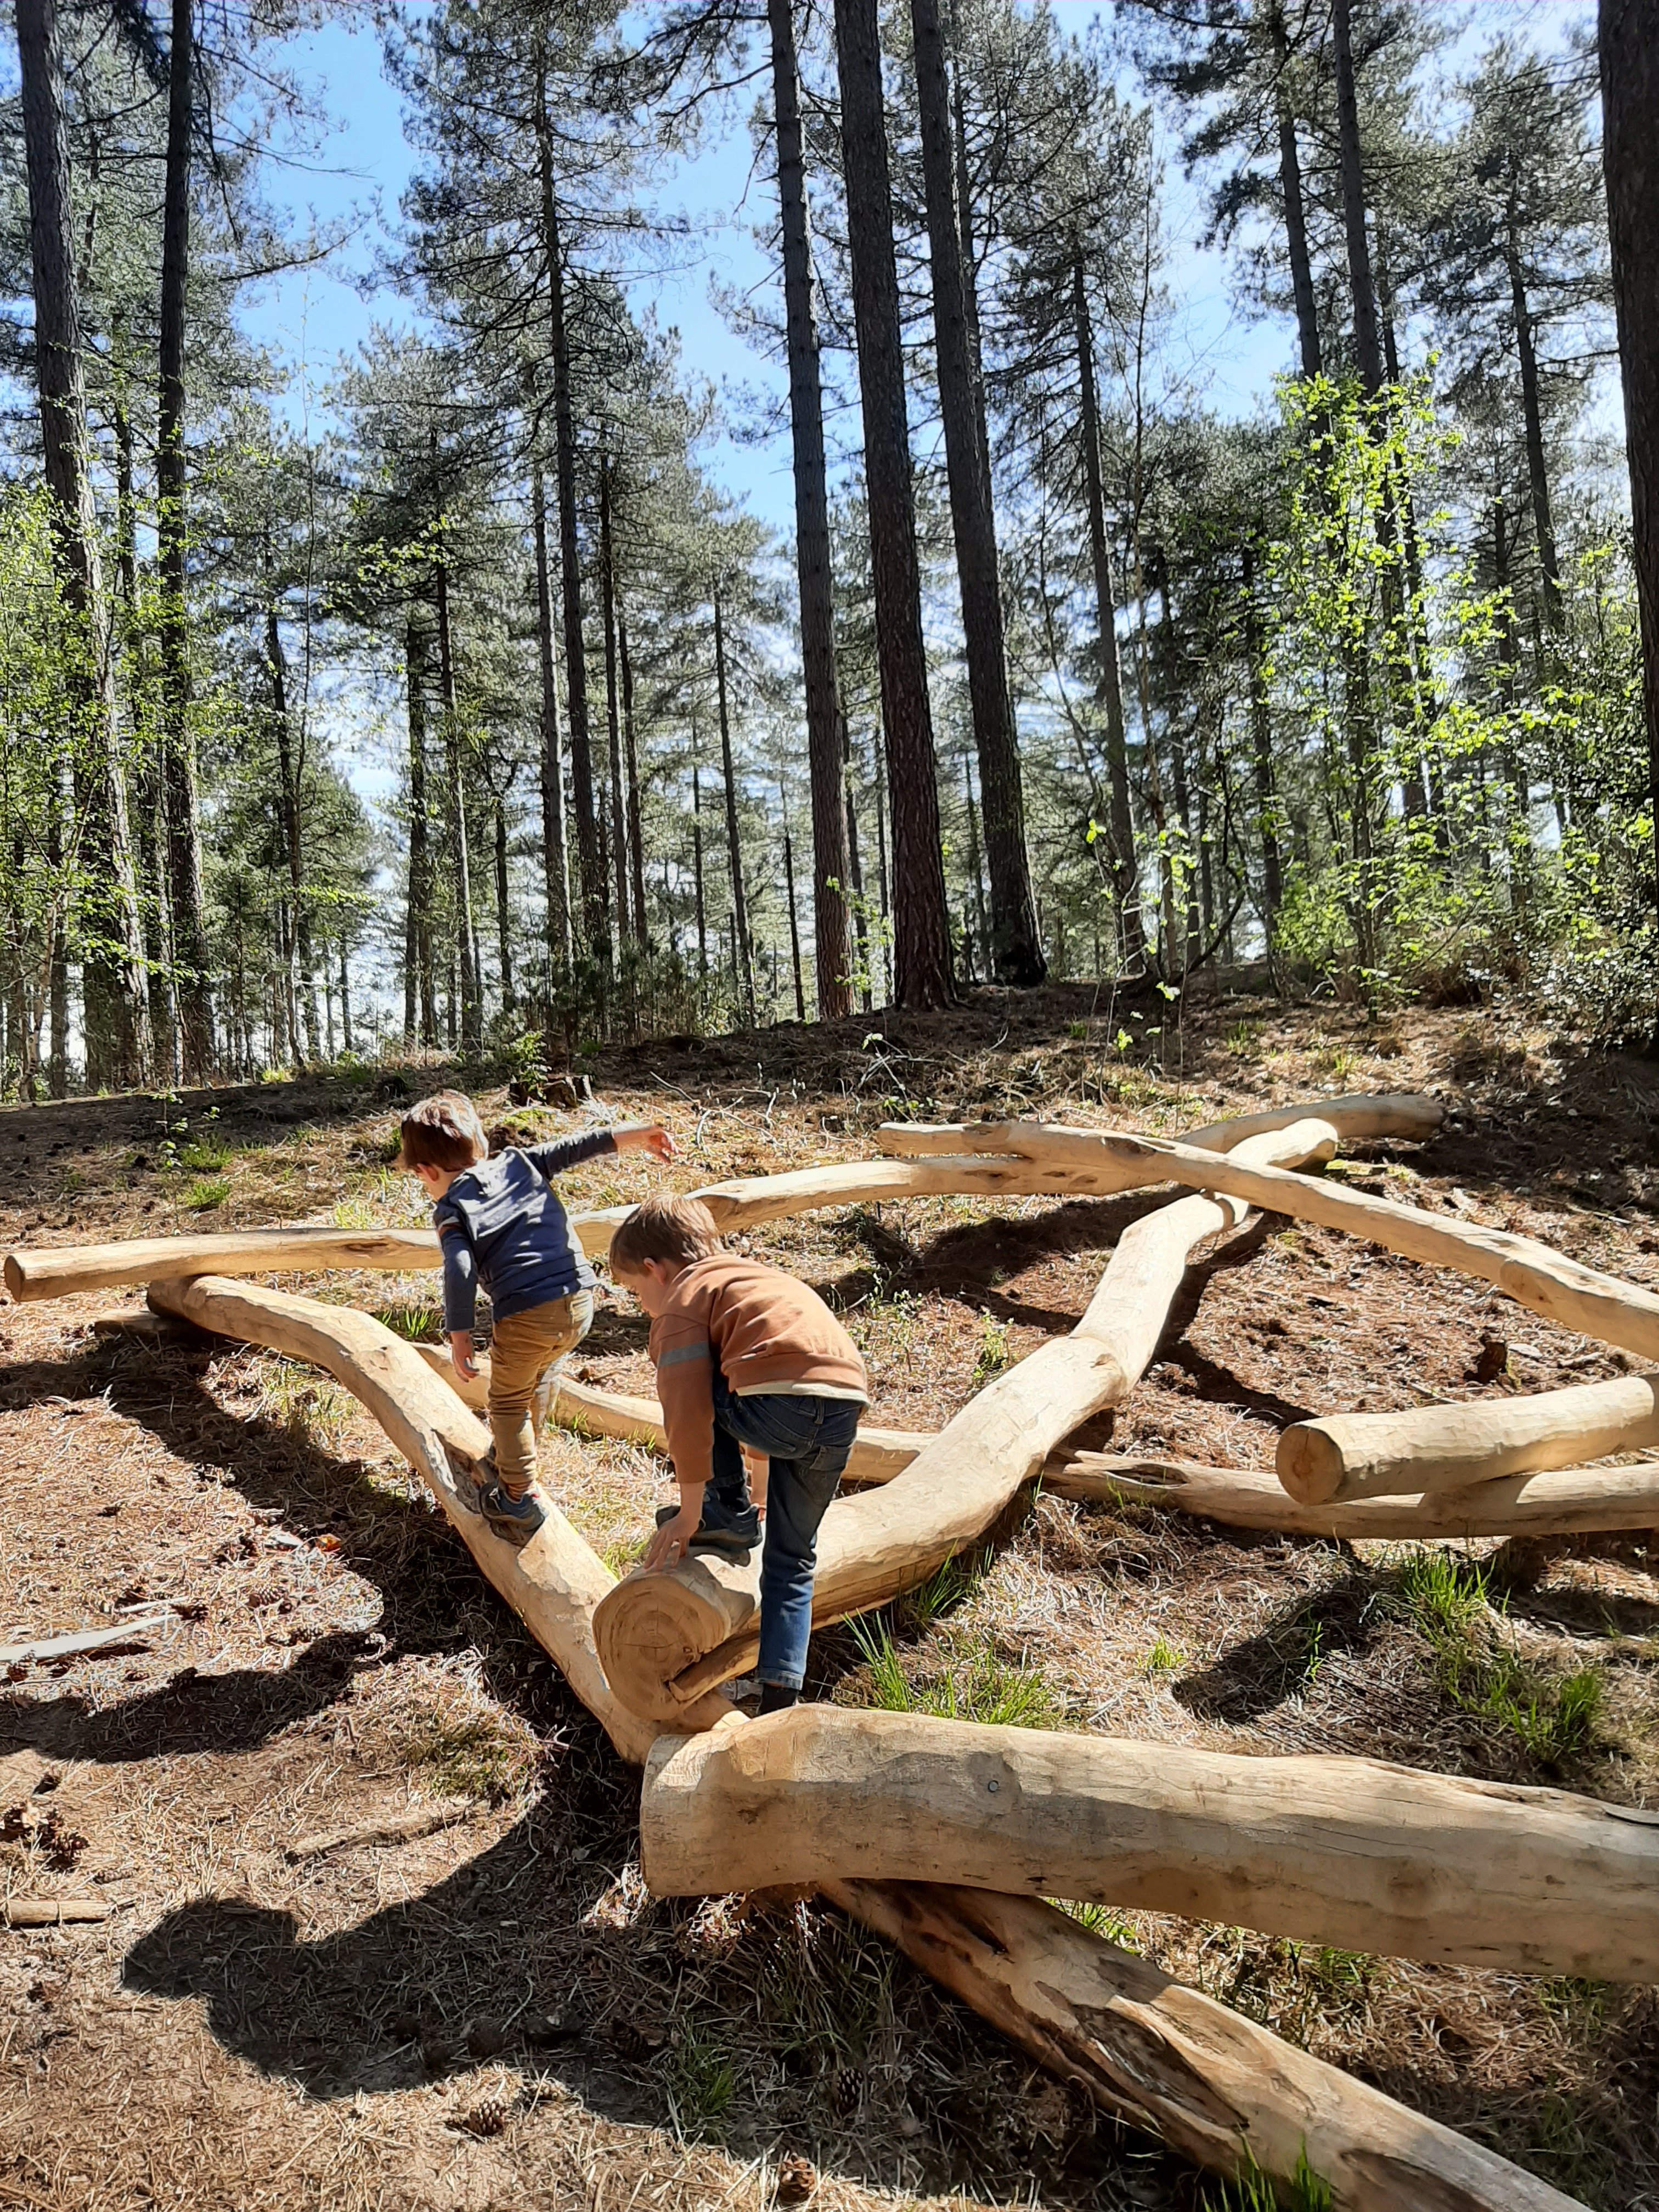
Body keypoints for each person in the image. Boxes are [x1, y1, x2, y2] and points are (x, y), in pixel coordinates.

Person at [608, 1195, 867, 1713]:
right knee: (793, 1557)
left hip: (779, 1404)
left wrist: (691, 1513)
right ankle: (779, 1695)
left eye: (636, 1291)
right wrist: (761, 1488)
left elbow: (687, 1408)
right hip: (842, 1406)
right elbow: (775, 1368)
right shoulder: (756, 1280)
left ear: (656, 1271)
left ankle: (722, 1513)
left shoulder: (684, 1296)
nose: (641, 1305)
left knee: (697, 1387)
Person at [398, 1090, 674, 1545]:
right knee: (542, 1373)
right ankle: (518, 1456)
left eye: (422, 1181)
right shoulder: (519, 1163)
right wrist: (637, 1135)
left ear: (426, 1172)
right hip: (580, 1301)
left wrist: (460, 1333)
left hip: (527, 1311)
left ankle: (517, 1499)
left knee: (505, 1401)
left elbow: (461, 1267)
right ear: (481, 1147)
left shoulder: (450, 1208)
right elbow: (577, 1147)